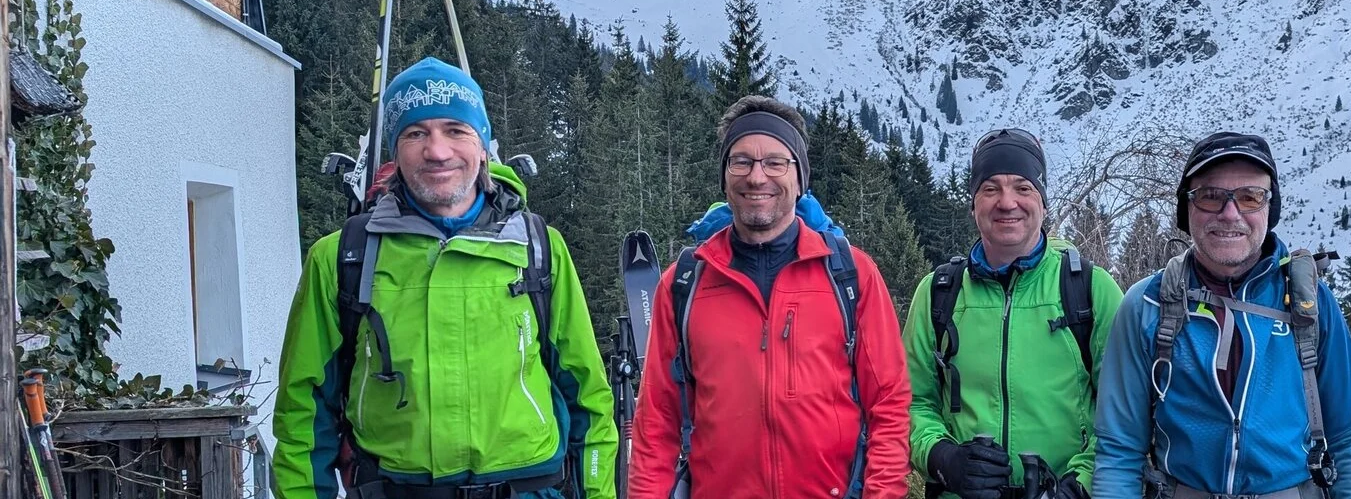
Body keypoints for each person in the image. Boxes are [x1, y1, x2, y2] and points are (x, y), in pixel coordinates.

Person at [273, 57, 616, 499]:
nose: (437, 151)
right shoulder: (341, 257)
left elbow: (588, 396)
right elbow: (303, 411)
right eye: (416, 133)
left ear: (482, 143)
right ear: (395, 150)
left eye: (456, 129)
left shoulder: (538, 248)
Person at [628, 96, 911, 498]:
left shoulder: (851, 274)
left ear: (799, 179)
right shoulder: (685, 284)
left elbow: (889, 406)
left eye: (776, 162)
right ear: (725, 176)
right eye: (741, 162)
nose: (757, 177)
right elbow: (656, 423)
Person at [1092, 132, 1351, 499]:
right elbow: (1119, 450)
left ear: (1269, 209)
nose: (1231, 214)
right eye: (1211, 196)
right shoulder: (1147, 305)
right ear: (1187, 209)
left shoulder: (1310, 304)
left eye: (1249, 197)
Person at [905, 129, 1125, 499]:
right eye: (990, 188)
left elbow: (1125, 416)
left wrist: (1078, 487)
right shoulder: (938, 293)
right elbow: (911, 401)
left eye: (1023, 187)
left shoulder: (1089, 290)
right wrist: (945, 459)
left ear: (1042, 199)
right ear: (974, 202)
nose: (1007, 202)